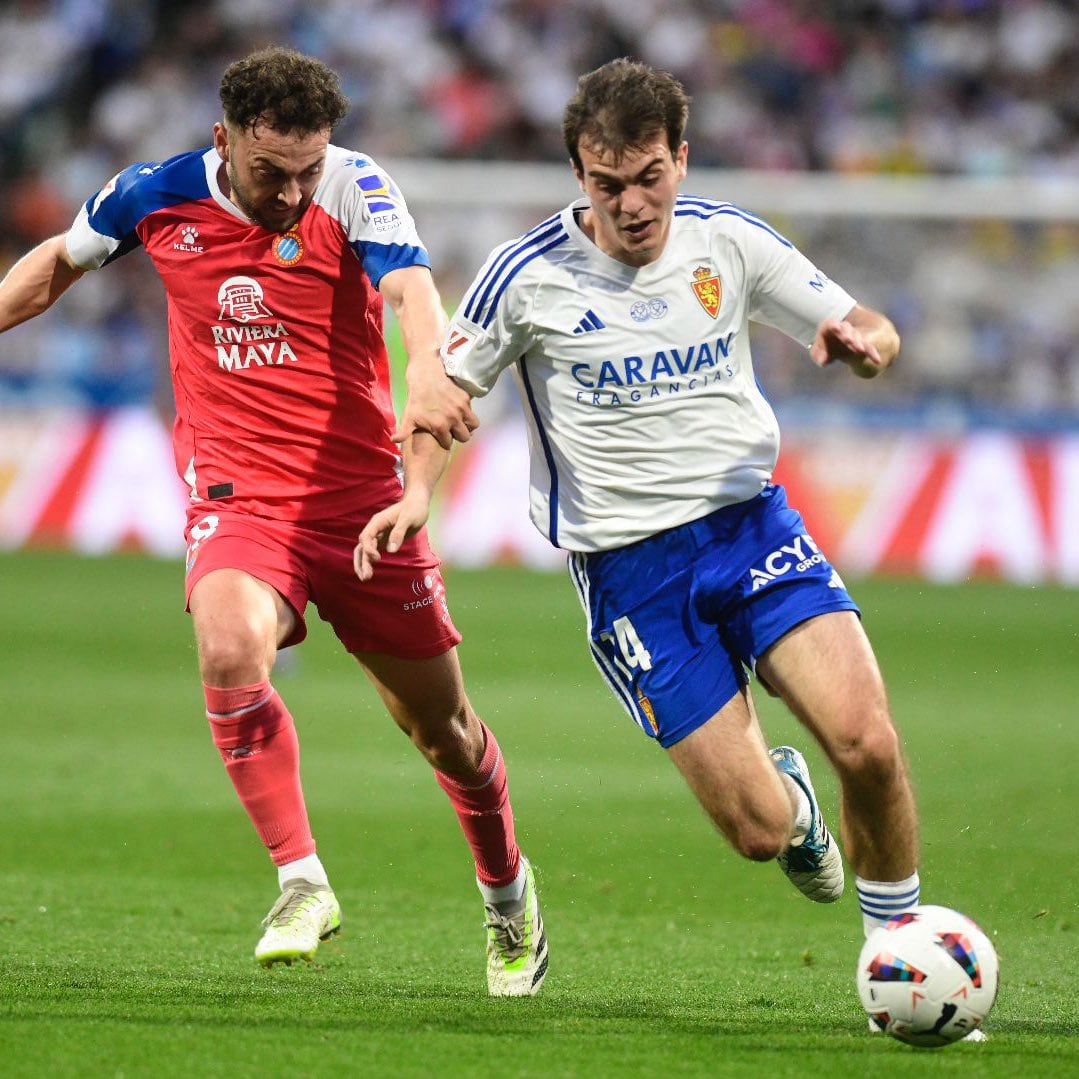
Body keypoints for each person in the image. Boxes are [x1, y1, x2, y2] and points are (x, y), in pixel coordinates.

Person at [358, 56, 962, 1031]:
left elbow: (865, 322)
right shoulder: (525, 276)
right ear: (577, 179)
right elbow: (437, 398)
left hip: (750, 526)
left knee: (868, 742)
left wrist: (865, 345)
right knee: (760, 832)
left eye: (648, 177)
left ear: (679, 158)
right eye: (607, 185)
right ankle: (795, 810)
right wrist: (418, 492)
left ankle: (892, 955)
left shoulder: (730, 242)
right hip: (630, 575)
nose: (631, 205)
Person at [0, 46, 547, 997]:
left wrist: (426, 367)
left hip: (364, 505)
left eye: (307, 169)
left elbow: (411, 287)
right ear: (224, 141)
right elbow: (52, 267)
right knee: (226, 644)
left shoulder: (354, 185)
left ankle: (508, 896)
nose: (294, 192)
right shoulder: (153, 193)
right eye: (271, 172)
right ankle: (302, 881)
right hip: (239, 497)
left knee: (443, 729)